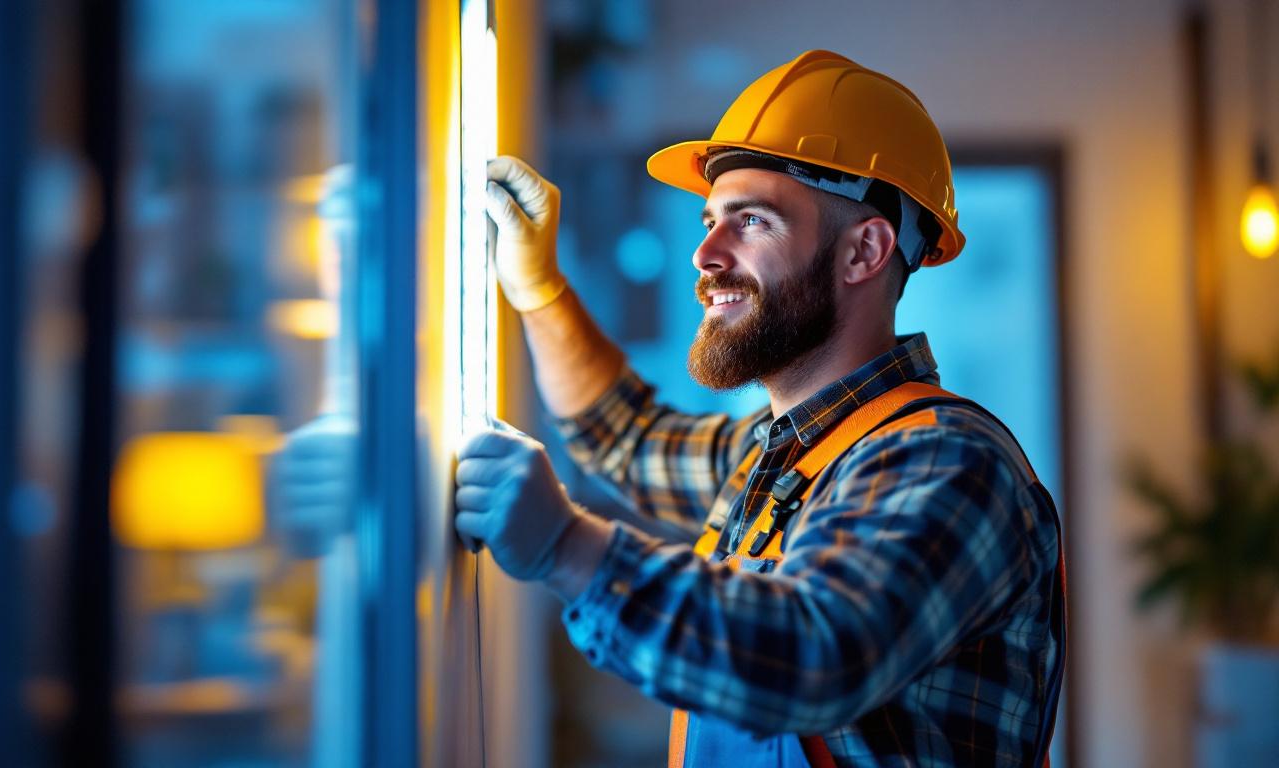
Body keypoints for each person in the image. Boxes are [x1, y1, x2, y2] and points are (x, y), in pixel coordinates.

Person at [454, 50, 1066, 767]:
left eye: (751, 221)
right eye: (709, 220)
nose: (705, 254)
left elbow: (813, 656)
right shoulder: (781, 454)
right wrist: (538, 288)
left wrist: (566, 547)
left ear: (864, 251)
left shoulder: (945, 461)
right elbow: (625, 437)